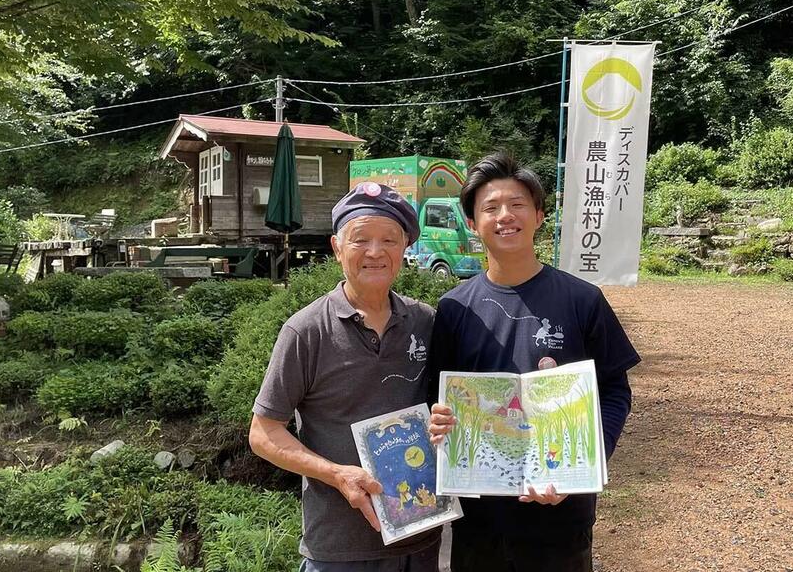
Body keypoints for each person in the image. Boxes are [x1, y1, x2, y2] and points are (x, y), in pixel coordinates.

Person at [427, 152, 640, 572]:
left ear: (540, 215)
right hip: (479, 518)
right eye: (490, 208)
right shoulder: (454, 308)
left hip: (561, 512)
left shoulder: (582, 300)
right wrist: (438, 422)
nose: (505, 216)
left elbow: (615, 390)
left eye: (518, 204)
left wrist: (589, 460)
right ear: (472, 223)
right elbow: (434, 399)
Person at [249, 182, 440, 572]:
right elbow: (263, 433)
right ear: (337, 248)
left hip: (421, 539)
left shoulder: (426, 321)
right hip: (339, 549)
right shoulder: (306, 331)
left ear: (405, 248)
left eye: (389, 239)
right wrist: (337, 474)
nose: (375, 252)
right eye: (360, 240)